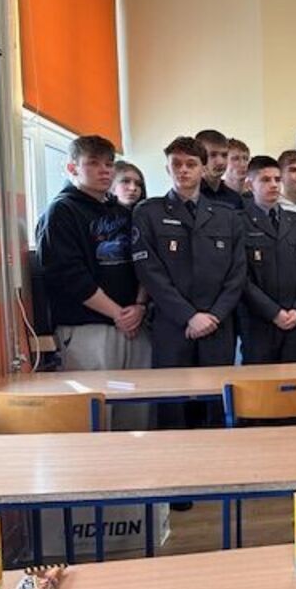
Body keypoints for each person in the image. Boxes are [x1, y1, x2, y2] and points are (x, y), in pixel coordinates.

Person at [36, 136, 151, 428]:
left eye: (109, 164)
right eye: (93, 163)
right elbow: (67, 275)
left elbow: (144, 261)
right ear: (72, 168)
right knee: (97, 415)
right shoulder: (61, 211)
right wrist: (117, 314)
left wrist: (139, 307)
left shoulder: (121, 211)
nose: (104, 170)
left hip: (134, 324)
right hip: (89, 329)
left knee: (138, 414)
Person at [131, 136, 247, 427]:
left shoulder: (228, 217)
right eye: (177, 164)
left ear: (203, 169)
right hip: (172, 324)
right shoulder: (148, 212)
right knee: (172, 405)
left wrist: (213, 315)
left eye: (191, 164)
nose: (183, 170)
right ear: (167, 168)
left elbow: (237, 273)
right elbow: (149, 271)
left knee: (217, 404)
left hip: (217, 325)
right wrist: (189, 316)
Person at [236, 155, 296, 364]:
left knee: (294, 380)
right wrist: (274, 313)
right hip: (257, 320)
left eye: (277, 179)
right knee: (260, 381)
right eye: (265, 180)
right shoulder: (238, 222)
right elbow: (239, 276)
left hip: (295, 319)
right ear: (249, 184)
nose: (273, 185)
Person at [195, 129, 244, 210]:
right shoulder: (189, 196)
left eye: (224, 155)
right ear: (199, 157)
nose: (220, 162)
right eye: (213, 155)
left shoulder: (235, 198)